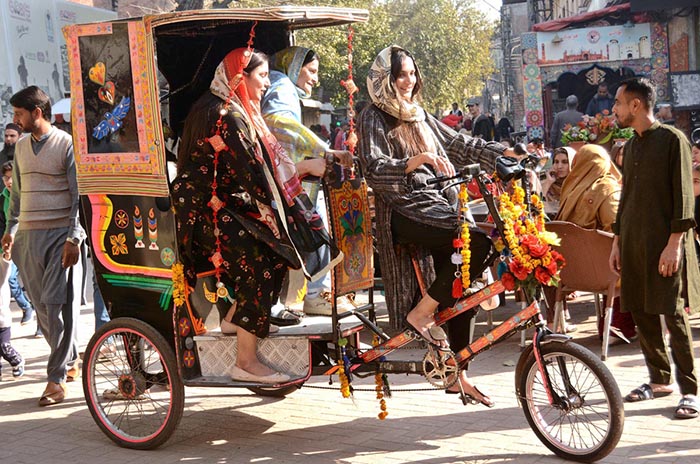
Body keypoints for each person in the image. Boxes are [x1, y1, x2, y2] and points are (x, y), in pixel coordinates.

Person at [172, 48, 340, 384]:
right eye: (262, 76)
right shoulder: (224, 115)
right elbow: (255, 171)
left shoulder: (235, 109)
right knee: (263, 259)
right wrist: (304, 169)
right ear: (240, 75)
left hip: (228, 206)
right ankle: (245, 361)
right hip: (207, 214)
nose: (267, 83)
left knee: (279, 251)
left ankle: (236, 318)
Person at [358, 46, 510, 405]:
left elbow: (458, 143)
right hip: (403, 212)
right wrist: (416, 161)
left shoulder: (420, 115)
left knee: (464, 288)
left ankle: (458, 375)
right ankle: (421, 314)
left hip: (439, 207)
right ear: (384, 79)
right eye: (400, 75)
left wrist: (502, 156)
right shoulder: (373, 116)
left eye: (412, 73)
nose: (408, 81)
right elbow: (373, 168)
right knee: (476, 242)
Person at [609, 77, 699, 419]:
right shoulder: (630, 146)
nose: (613, 109)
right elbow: (626, 198)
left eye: (618, 103)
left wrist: (674, 243)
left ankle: (690, 390)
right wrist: (617, 242)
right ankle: (659, 380)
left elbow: (683, 196)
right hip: (633, 243)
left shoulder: (673, 140)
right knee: (642, 311)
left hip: (665, 245)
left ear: (635, 105)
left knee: (673, 314)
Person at [2, 86, 84, 406]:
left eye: (19, 113)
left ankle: (55, 379)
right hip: (28, 238)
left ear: (37, 112)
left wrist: (74, 237)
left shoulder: (67, 144)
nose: (15, 119)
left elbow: (79, 195)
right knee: (41, 309)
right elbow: (18, 195)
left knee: (54, 305)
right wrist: (11, 230)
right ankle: (70, 356)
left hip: (59, 236)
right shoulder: (21, 147)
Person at [261, 46, 354, 317]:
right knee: (316, 229)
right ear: (294, 66)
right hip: (286, 180)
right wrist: (323, 149)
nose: (315, 79)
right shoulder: (281, 85)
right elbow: (278, 123)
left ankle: (317, 292)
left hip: (290, 176)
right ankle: (315, 294)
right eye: (311, 71)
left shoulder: (282, 85)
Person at [554, 144, 635, 340]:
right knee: (636, 255)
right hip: (605, 272)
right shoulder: (607, 188)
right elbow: (618, 229)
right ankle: (621, 324)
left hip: (571, 272)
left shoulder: (569, 189)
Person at [0, 162, 35, 328]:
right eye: (6, 177)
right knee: (10, 279)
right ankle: (26, 306)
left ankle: (41, 325)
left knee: (33, 283)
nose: (9, 181)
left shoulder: (28, 197)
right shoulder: (2, 199)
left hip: (30, 245)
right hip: (10, 247)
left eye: (12, 177)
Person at [0, 250, 24, 380]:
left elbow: (5, 265)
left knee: (4, 347)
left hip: (2, 321)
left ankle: (17, 361)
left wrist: (6, 256)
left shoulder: (1, 274)